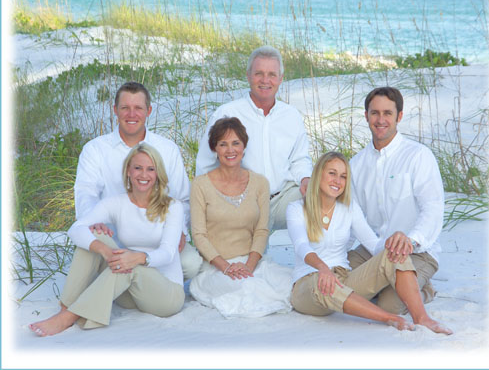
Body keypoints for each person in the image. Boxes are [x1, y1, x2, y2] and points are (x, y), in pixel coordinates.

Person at [286, 152, 452, 334]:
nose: (337, 181)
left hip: (343, 278)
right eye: (332, 173)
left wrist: (393, 242)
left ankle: (422, 318)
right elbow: (302, 246)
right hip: (309, 283)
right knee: (322, 283)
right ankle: (388, 318)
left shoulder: (349, 208)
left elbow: (373, 245)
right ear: (319, 174)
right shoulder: (296, 208)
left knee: (393, 254)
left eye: (343, 176)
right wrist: (323, 268)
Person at [30, 144, 185, 336]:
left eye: (150, 169)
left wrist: (137, 258)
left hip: (165, 294)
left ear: (157, 173)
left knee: (127, 263)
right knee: (94, 234)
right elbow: (76, 229)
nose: (143, 174)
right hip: (129, 292)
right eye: (138, 168)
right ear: (128, 171)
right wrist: (104, 249)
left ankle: (69, 316)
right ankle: (66, 306)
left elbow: (169, 253)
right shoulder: (117, 203)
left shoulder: (173, 206)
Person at [74, 81, 202, 279]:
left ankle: (136, 274)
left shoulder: (167, 149)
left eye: (138, 108)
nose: (131, 114)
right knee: (95, 253)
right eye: (125, 108)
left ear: (148, 110)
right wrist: (95, 222)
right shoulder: (95, 149)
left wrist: (180, 231)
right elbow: (86, 192)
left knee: (191, 265)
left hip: (156, 239)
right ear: (115, 110)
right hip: (112, 239)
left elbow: (182, 198)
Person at [348, 87, 443, 315]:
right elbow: (354, 216)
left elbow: (432, 209)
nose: (381, 120)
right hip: (371, 248)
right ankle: (383, 284)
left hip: (416, 251)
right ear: (366, 116)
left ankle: (424, 289)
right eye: (375, 113)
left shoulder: (418, 156)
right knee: (338, 286)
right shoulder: (355, 164)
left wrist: (411, 240)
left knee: (389, 305)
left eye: (388, 113)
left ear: (399, 116)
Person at [195, 46, 312, 230]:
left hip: (282, 199)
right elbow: (205, 165)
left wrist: (306, 179)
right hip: (242, 205)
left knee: (322, 199)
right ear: (248, 76)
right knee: (253, 257)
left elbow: (300, 159)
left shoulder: (291, 116)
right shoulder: (227, 114)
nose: (265, 80)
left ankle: (318, 257)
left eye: (272, 74)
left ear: (281, 78)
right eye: (259, 73)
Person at [190, 117, 292, 318]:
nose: (230, 150)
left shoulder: (260, 183)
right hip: (215, 267)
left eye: (236, 143)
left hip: (252, 262)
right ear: (214, 149)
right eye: (223, 144)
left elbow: (262, 230)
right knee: (247, 287)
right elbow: (199, 235)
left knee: (288, 281)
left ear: (244, 147)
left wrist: (249, 266)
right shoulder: (200, 185)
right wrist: (226, 267)